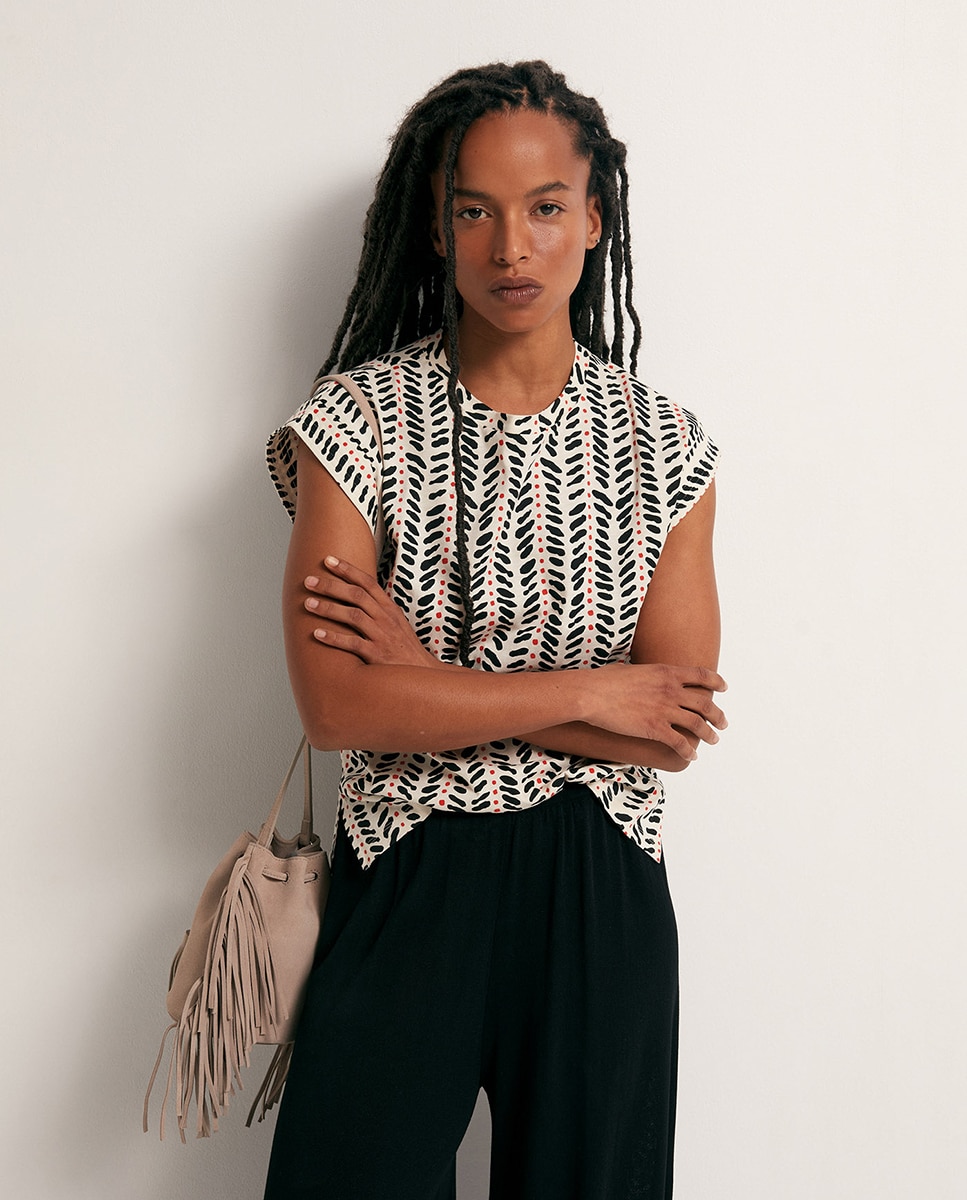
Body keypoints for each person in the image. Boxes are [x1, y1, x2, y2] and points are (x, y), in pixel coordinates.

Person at [263, 60, 726, 1200]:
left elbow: (669, 731)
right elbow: (339, 707)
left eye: (545, 208)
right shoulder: (354, 423)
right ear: (436, 228)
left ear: (593, 219)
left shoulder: (665, 446)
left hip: (599, 884)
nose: (511, 248)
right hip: (407, 870)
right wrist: (589, 691)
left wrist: (430, 681)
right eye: (474, 212)